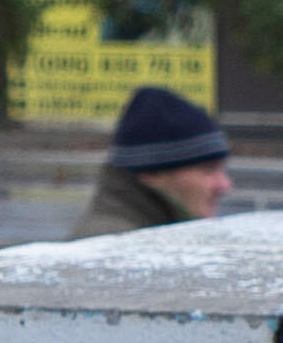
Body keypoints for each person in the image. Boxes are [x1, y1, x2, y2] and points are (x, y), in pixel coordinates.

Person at [72, 89, 233, 234]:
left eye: (221, 170)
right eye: (208, 170)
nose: (224, 185)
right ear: (150, 173)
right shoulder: (114, 247)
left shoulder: (155, 235)